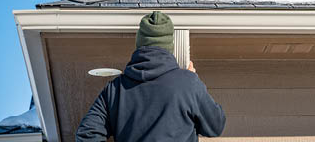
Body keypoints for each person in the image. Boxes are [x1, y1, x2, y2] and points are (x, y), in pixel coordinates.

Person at [76, 11, 226, 142]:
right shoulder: (188, 83)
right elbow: (215, 126)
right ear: (169, 46)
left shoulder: (115, 89)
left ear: (139, 44)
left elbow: (87, 134)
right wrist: (192, 84)